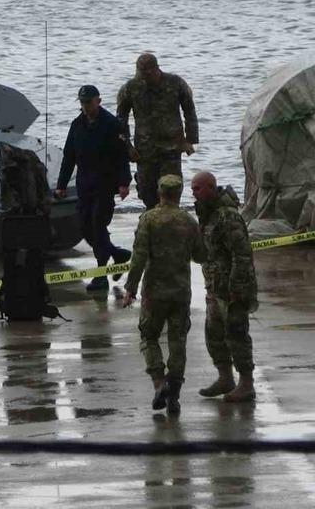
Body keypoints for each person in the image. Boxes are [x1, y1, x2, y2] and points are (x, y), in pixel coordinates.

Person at [122, 175, 206, 415]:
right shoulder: (189, 221)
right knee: (178, 341)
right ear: (179, 194)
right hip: (181, 291)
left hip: (154, 291)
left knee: (149, 337)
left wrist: (130, 288)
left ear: (159, 192)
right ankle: (174, 396)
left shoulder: (149, 219)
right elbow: (201, 255)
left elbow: (138, 257)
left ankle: (159, 383)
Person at [54, 84, 133, 292]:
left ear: (98, 100)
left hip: (105, 184)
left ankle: (101, 276)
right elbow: (68, 157)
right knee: (84, 227)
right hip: (84, 184)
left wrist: (124, 183)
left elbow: (122, 156)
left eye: (88, 102)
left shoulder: (111, 124)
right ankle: (118, 255)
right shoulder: (76, 125)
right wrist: (61, 185)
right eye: (82, 103)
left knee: (98, 226)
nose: (85, 106)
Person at [190, 171, 259, 403]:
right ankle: (225, 378)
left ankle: (246, 384)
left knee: (237, 334)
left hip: (232, 288)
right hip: (214, 286)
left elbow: (242, 255)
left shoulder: (227, 217)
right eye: (192, 189)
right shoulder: (207, 215)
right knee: (214, 334)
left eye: (198, 188)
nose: (194, 193)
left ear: (211, 187)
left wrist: (236, 288)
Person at [116, 53, 199, 209]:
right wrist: (127, 147)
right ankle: (152, 221)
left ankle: (171, 222)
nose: (144, 79)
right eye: (141, 75)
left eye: (147, 75)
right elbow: (120, 122)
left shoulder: (176, 83)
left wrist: (190, 139)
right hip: (144, 151)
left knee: (171, 190)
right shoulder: (130, 88)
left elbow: (189, 110)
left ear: (156, 70)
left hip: (172, 148)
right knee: (147, 193)